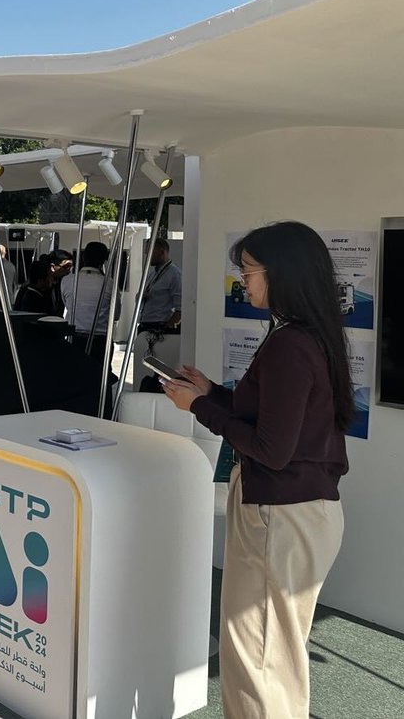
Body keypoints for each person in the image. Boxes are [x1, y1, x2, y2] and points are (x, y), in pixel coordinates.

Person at [162, 221, 349, 718]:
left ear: (281, 273)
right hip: (296, 512)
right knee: (275, 657)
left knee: (256, 657)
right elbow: (271, 417)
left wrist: (199, 409)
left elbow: (271, 448)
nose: (242, 282)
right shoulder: (309, 336)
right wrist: (210, 394)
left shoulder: (289, 344)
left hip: (279, 515)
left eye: (248, 271)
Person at [60, 241, 116, 357]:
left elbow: (66, 305)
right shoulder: (109, 283)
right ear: (104, 261)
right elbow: (116, 314)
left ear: (83, 258)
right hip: (100, 338)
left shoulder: (67, 281)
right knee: (99, 372)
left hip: (73, 335)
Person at [137, 237, 182, 334]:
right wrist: (140, 296)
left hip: (160, 326)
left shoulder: (175, 275)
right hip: (145, 324)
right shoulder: (152, 274)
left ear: (161, 252)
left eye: (149, 253)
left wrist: (166, 329)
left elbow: (180, 308)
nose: (146, 256)